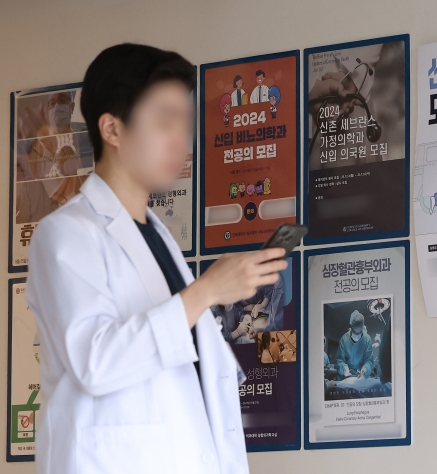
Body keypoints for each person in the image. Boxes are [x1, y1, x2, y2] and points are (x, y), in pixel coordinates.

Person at [25, 43, 288, 474]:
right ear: (112, 129)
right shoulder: (64, 234)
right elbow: (97, 362)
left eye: (186, 124)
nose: (181, 140)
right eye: (165, 121)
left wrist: (221, 295)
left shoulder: (158, 238)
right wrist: (205, 291)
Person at [335, 310, 373, 379]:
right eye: (355, 332)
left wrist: (366, 369)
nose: (357, 335)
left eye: (359, 333)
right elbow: (339, 360)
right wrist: (344, 368)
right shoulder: (344, 339)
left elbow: (369, 360)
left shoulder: (367, 339)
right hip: (346, 377)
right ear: (351, 328)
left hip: (361, 377)